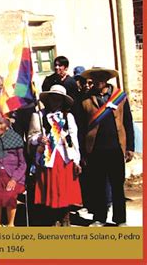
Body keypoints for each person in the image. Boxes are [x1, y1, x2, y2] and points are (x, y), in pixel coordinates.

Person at [79, 67, 134, 227]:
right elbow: (82, 127)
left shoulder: (120, 97)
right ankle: (99, 217)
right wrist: (83, 152)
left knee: (117, 185)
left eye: (102, 77)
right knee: (97, 185)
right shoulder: (86, 99)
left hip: (116, 148)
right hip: (95, 149)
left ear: (107, 79)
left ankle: (120, 219)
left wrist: (130, 147)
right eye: (95, 78)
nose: (99, 80)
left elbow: (128, 122)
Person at [28, 85, 82, 226]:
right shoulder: (39, 116)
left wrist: (76, 160)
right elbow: (31, 137)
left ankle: (65, 216)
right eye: (53, 98)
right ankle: (52, 218)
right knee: (49, 188)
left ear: (62, 101)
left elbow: (74, 138)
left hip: (64, 156)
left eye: (59, 99)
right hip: (47, 157)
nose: (55, 102)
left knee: (64, 189)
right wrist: (39, 139)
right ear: (48, 99)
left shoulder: (68, 117)